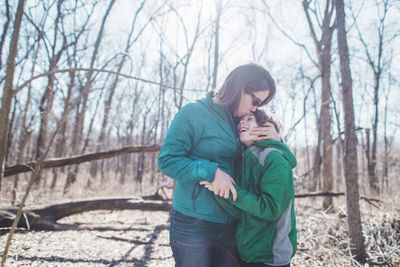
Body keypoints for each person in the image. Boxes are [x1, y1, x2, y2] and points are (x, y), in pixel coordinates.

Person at [158, 63, 280, 267]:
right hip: (193, 221)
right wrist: (210, 171)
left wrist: (275, 139)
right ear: (240, 87)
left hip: (233, 222)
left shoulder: (244, 121)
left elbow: (267, 157)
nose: (254, 108)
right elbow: (167, 160)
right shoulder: (193, 112)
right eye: (255, 100)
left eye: (259, 104)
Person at [201, 110, 297, 267]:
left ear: (265, 127)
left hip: (271, 256)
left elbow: (270, 209)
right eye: (240, 121)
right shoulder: (244, 161)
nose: (241, 123)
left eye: (249, 119)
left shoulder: (274, 157)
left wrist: (232, 190)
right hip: (248, 253)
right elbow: (242, 212)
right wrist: (219, 191)